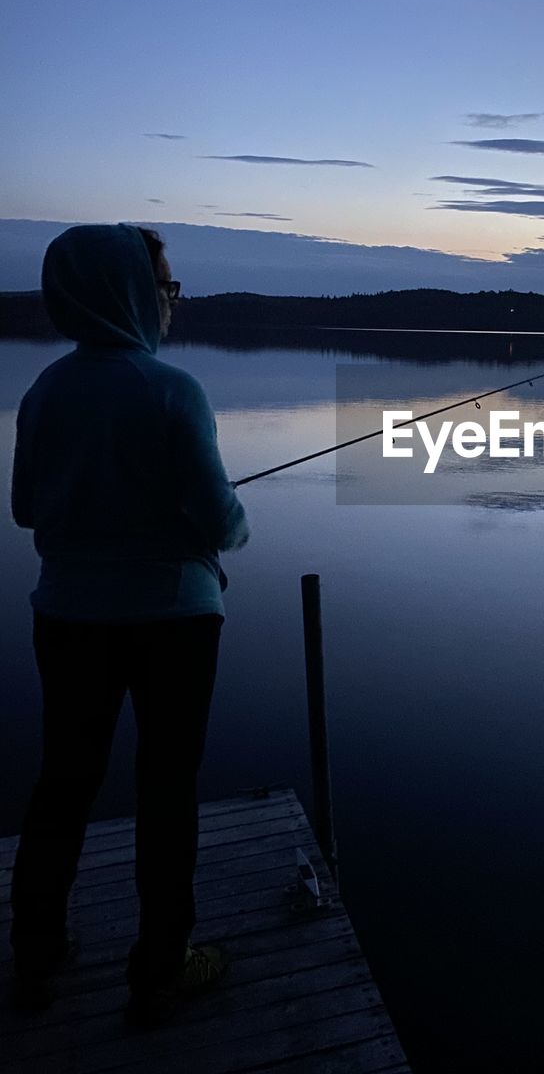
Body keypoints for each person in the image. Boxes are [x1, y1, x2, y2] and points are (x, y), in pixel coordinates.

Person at [9, 223, 250, 1026]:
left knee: (62, 785)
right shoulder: (172, 391)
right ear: (127, 293)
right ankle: (159, 970)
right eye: (165, 286)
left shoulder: (43, 391)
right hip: (173, 620)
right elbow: (219, 522)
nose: (171, 302)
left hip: (67, 617)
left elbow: (22, 511)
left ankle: (36, 954)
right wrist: (235, 521)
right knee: (166, 792)